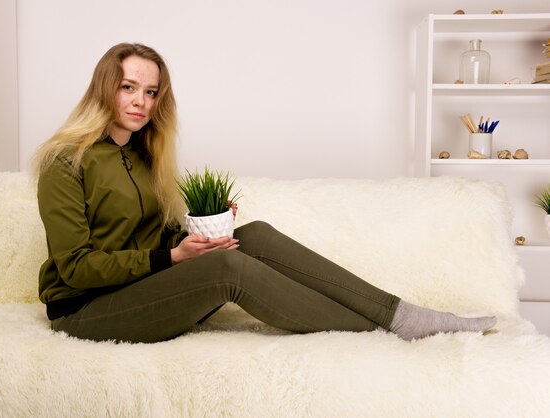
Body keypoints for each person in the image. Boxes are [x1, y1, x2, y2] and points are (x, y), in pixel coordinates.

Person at [34, 42, 496, 344]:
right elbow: (76, 268)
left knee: (249, 235)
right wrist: (172, 259)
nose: (141, 102)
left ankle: (401, 314)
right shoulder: (65, 161)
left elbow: (148, 234)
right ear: (104, 90)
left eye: (151, 92)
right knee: (231, 267)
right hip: (85, 311)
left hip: (141, 288)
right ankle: (383, 334)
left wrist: (199, 232)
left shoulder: (143, 155)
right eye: (129, 88)